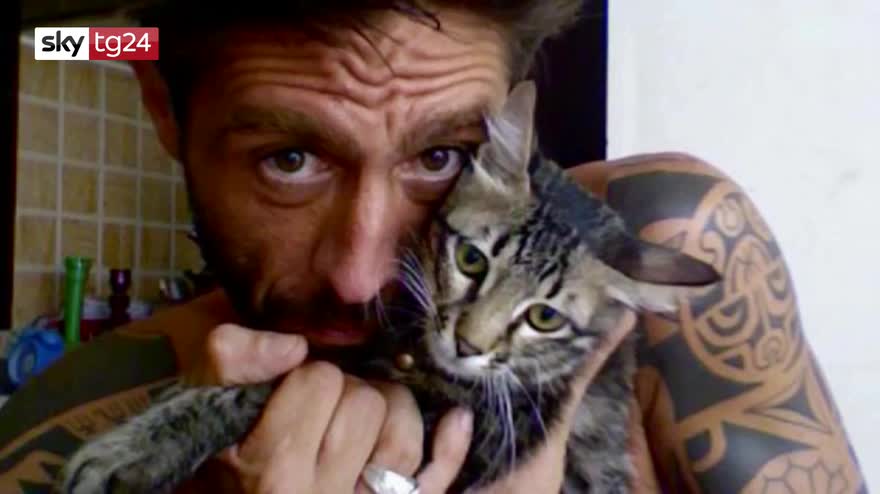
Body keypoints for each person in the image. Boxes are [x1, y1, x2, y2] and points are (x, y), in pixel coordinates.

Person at [0, 1, 867, 493]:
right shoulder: (56, 438)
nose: (365, 276)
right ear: (166, 111)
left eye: (442, 156)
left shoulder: (682, 239)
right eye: (289, 159)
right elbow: (60, 41)